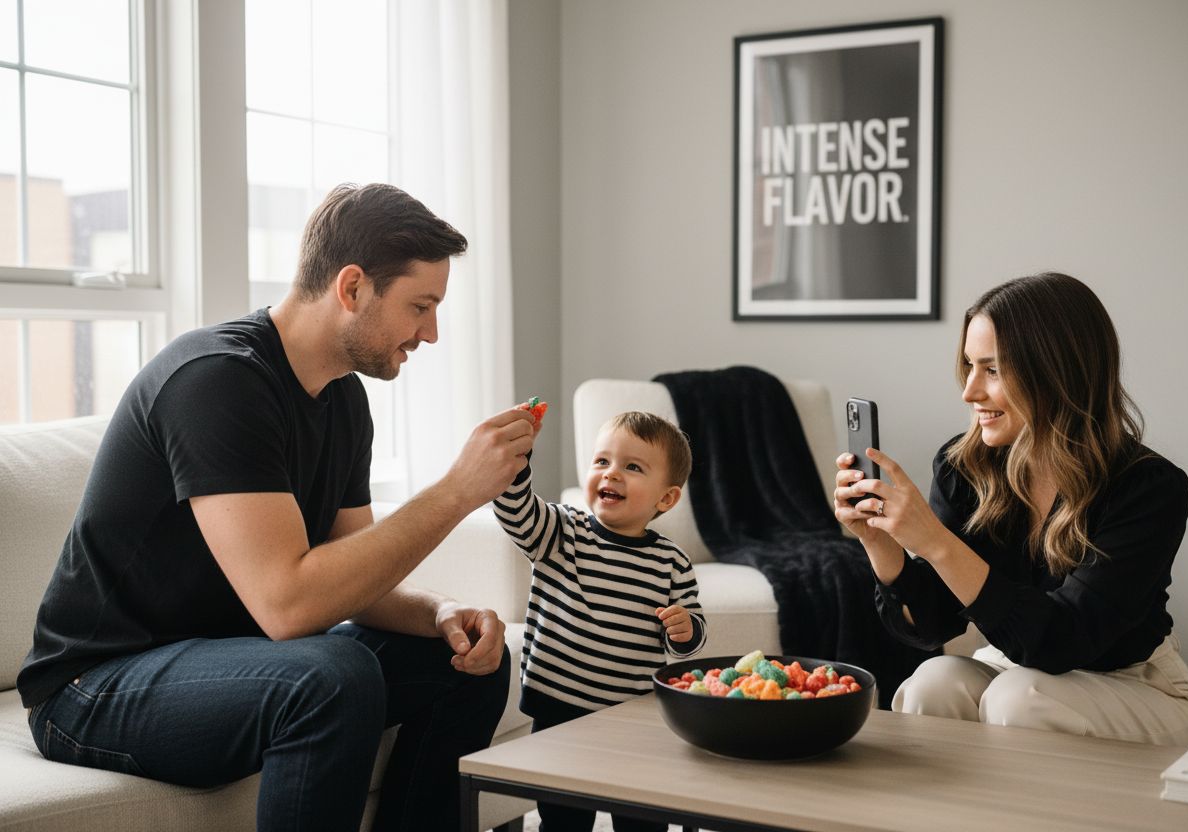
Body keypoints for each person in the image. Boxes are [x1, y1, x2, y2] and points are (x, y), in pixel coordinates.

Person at [17, 183, 538, 830]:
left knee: (469, 661)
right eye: (420, 306)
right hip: (93, 686)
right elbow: (288, 606)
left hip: (231, 659)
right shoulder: (217, 381)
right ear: (352, 288)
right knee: (331, 675)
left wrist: (439, 612)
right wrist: (456, 491)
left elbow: (352, 576)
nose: (430, 333)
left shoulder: (343, 399)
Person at [834, 272, 1188, 746]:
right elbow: (934, 626)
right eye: (969, 366)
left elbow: (1063, 639)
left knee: (1019, 698)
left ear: (1057, 373)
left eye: (992, 370)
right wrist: (879, 541)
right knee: (934, 681)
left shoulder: (1148, 487)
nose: (970, 391)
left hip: (1134, 683)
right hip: (1015, 667)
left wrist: (934, 542)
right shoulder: (964, 467)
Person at [492, 410, 706, 832]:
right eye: (602, 461)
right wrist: (518, 459)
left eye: (633, 467)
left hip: (631, 721)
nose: (612, 473)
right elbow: (515, 511)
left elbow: (690, 632)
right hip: (558, 708)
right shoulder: (561, 532)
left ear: (666, 499)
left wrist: (685, 629)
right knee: (562, 818)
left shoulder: (671, 562)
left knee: (642, 818)